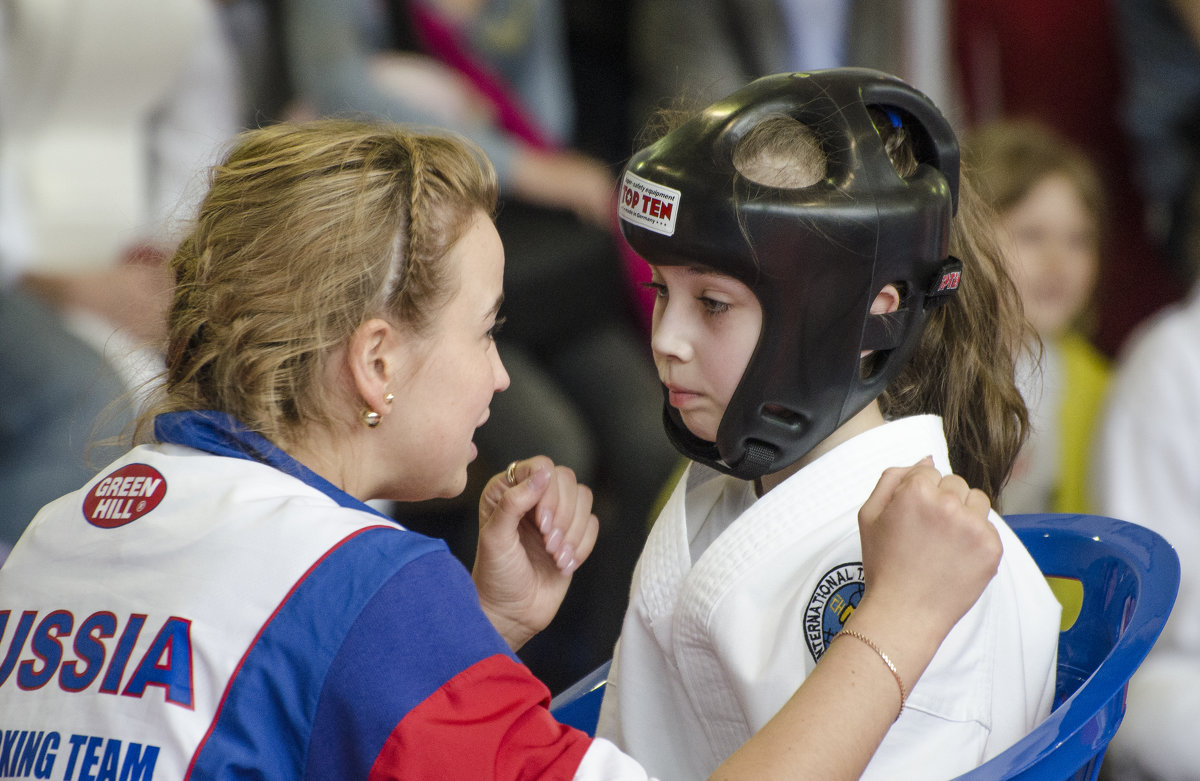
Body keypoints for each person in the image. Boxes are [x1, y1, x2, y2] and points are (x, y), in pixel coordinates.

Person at [0, 118, 1009, 780]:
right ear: (378, 361)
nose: (501, 377)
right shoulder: (355, 590)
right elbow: (331, 654)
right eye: (487, 331)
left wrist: (479, 629)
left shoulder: (57, 530)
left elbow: (296, 717)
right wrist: (901, 618)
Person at [595, 69, 1062, 781]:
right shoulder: (724, 490)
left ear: (868, 311)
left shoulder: (934, 580)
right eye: (663, 291)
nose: (667, 339)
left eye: (713, 302)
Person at [0, 0, 241, 553]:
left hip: (132, 258)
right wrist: (62, 281)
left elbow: (199, 126)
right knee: (95, 400)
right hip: (22, 270)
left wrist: (168, 259)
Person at [965, 119, 1111, 514]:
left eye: (1079, 240)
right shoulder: (925, 379)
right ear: (967, 239)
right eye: (1030, 235)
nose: (1058, 263)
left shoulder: (1103, 390)